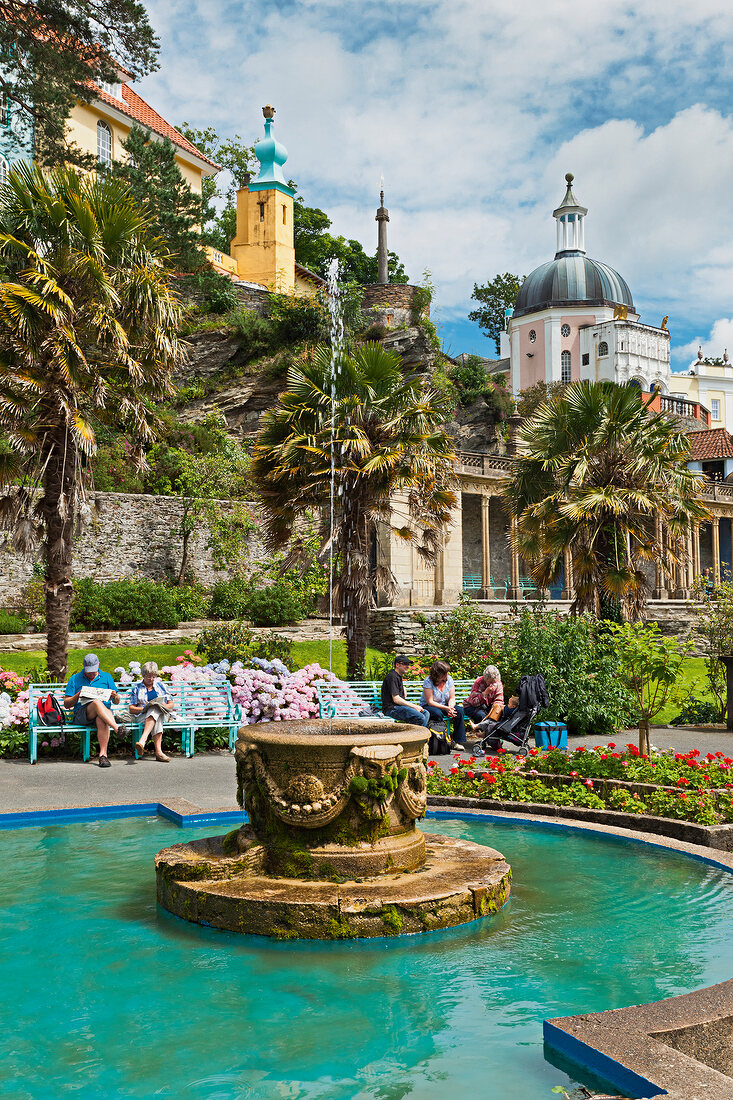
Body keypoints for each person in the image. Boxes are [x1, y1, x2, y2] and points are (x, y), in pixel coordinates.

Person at [64, 653, 124, 768]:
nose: (91, 674)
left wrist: (114, 696)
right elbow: (67, 704)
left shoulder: (106, 677)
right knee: (96, 702)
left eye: (94, 671)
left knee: (101, 718)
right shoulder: (75, 679)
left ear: (99, 665)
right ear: (83, 666)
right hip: (82, 714)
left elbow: (116, 701)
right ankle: (117, 728)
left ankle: (103, 756)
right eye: (88, 671)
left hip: (104, 714)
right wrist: (78, 695)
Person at [130, 662, 174, 762]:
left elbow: (171, 704)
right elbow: (131, 709)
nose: (151, 679)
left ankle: (142, 741)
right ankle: (159, 753)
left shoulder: (161, 686)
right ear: (143, 675)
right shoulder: (136, 688)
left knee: (156, 708)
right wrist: (145, 708)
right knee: (154, 710)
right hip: (142, 716)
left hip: (163, 714)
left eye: (154, 677)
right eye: (149, 677)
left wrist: (163, 705)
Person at [420, 660, 466, 749]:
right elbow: (430, 701)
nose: (447, 675)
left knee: (459, 711)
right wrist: (446, 708)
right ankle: (440, 741)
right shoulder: (428, 681)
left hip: (445, 705)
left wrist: (451, 708)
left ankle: (457, 742)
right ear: (438, 674)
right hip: (430, 706)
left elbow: (452, 698)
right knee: (437, 713)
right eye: (445, 673)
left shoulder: (449, 680)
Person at [381, 655, 430, 727]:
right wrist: (414, 706)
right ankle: (414, 736)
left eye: (408, 664)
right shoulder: (392, 677)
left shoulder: (398, 676)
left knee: (426, 713)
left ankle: (418, 736)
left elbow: (401, 697)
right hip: (391, 709)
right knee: (420, 717)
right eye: (405, 664)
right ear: (397, 665)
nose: (407, 666)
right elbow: (396, 699)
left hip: (398, 707)